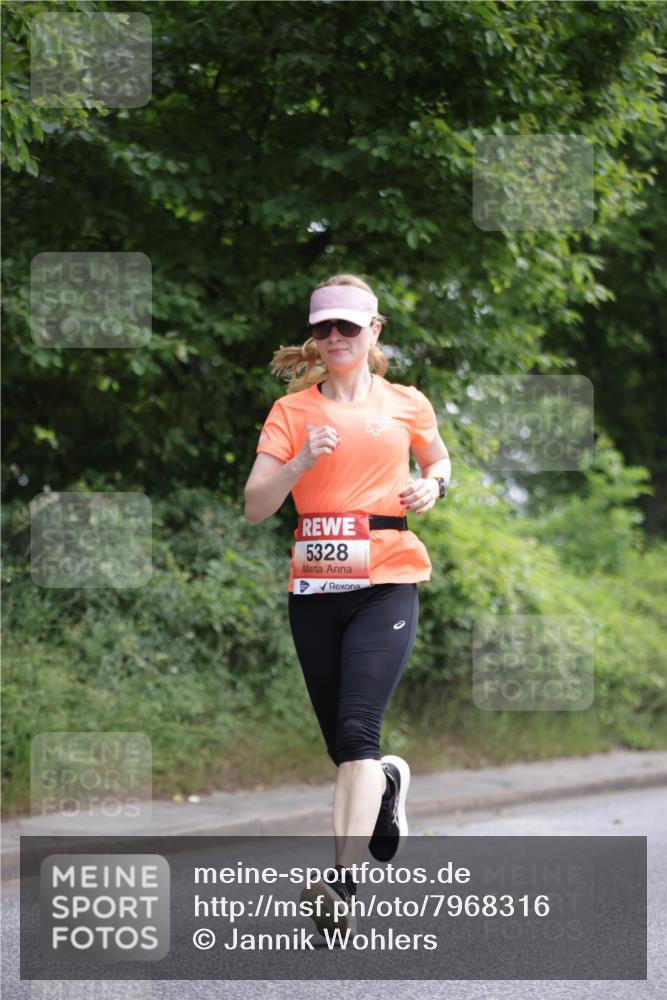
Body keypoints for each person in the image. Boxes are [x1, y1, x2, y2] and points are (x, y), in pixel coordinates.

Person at [244, 273, 450, 935]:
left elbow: (438, 461)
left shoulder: (407, 403)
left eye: (348, 326)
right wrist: (300, 461)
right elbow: (256, 507)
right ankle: (385, 785)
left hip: (387, 581)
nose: (335, 336)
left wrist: (433, 486)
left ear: (373, 331)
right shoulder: (291, 412)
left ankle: (340, 882)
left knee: (359, 732)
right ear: (315, 333)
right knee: (344, 748)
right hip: (315, 588)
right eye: (323, 326)